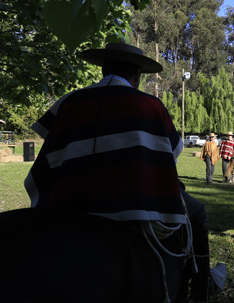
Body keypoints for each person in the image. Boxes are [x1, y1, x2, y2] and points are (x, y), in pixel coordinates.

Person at [24, 43, 217, 301]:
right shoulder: (151, 106)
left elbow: (50, 147)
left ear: (103, 69)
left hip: (68, 203)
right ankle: (201, 290)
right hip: (131, 205)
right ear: (136, 76)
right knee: (197, 213)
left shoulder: (68, 102)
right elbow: (171, 152)